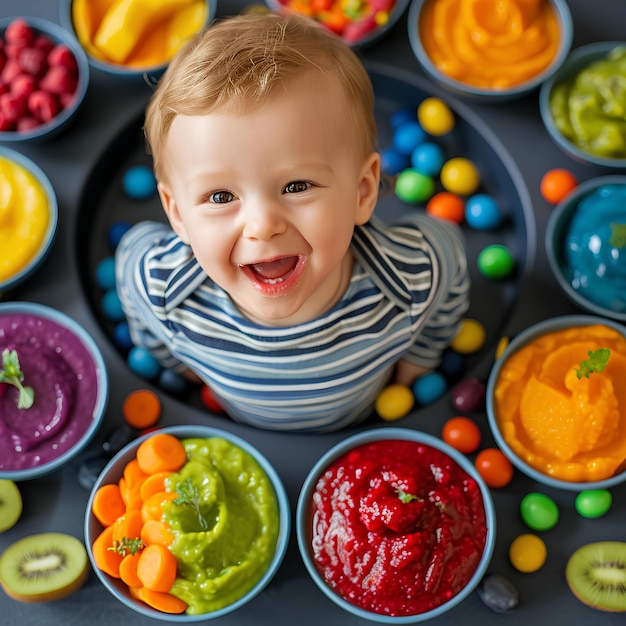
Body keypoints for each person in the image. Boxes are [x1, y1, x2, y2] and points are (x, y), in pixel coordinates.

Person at [115, 11, 470, 432]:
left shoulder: (408, 279)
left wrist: (423, 353)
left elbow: (448, 252)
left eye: (297, 186)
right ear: (177, 214)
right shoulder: (165, 292)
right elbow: (130, 264)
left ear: (362, 191)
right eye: (221, 196)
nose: (262, 225)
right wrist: (171, 356)